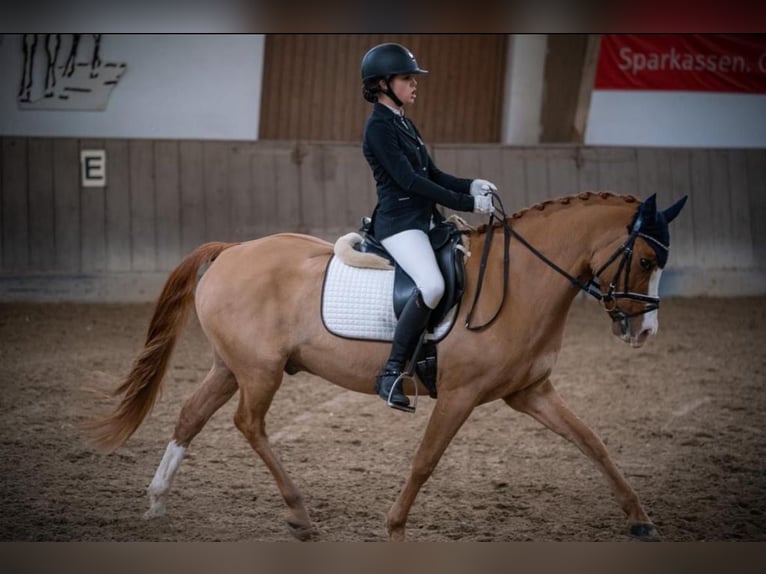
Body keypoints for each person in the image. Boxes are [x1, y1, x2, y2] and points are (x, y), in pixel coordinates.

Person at [360, 42, 497, 412]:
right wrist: (468, 205)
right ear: (383, 84)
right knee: (432, 285)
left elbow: (432, 174)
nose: (414, 84)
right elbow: (409, 181)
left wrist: (470, 184)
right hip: (399, 223)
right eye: (407, 79)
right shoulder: (378, 129)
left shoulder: (405, 122)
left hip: (426, 220)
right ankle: (390, 373)